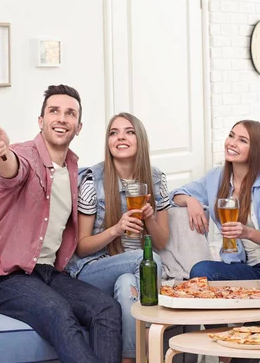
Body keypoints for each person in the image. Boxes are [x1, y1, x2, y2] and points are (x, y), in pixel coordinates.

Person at [0, 85, 122, 363]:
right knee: (58, 312)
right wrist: (1, 153)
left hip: (47, 274)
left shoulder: (74, 169)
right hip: (1, 279)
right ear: (41, 121)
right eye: (54, 111)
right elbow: (12, 169)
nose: (61, 118)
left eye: (70, 114)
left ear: (78, 127)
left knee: (107, 309)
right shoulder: (24, 154)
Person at [65, 112, 169, 363]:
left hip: (129, 272)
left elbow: (162, 241)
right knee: (149, 261)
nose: (120, 137)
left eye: (129, 131)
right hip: (91, 270)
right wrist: (115, 229)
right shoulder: (93, 181)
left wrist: (149, 219)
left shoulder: (156, 179)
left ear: (140, 139)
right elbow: (81, 247)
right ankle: (152, 350)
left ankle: (129, 359)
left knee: (126, 284)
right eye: (114, 132)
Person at [171, 120, 260, 290]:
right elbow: (175, 195)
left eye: (242, 140)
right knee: (200, 270)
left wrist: (248, 233)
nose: (232, 143)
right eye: (231, 136)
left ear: (256, 150)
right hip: (244, 268)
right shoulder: (215, 178)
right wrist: (190, 200)